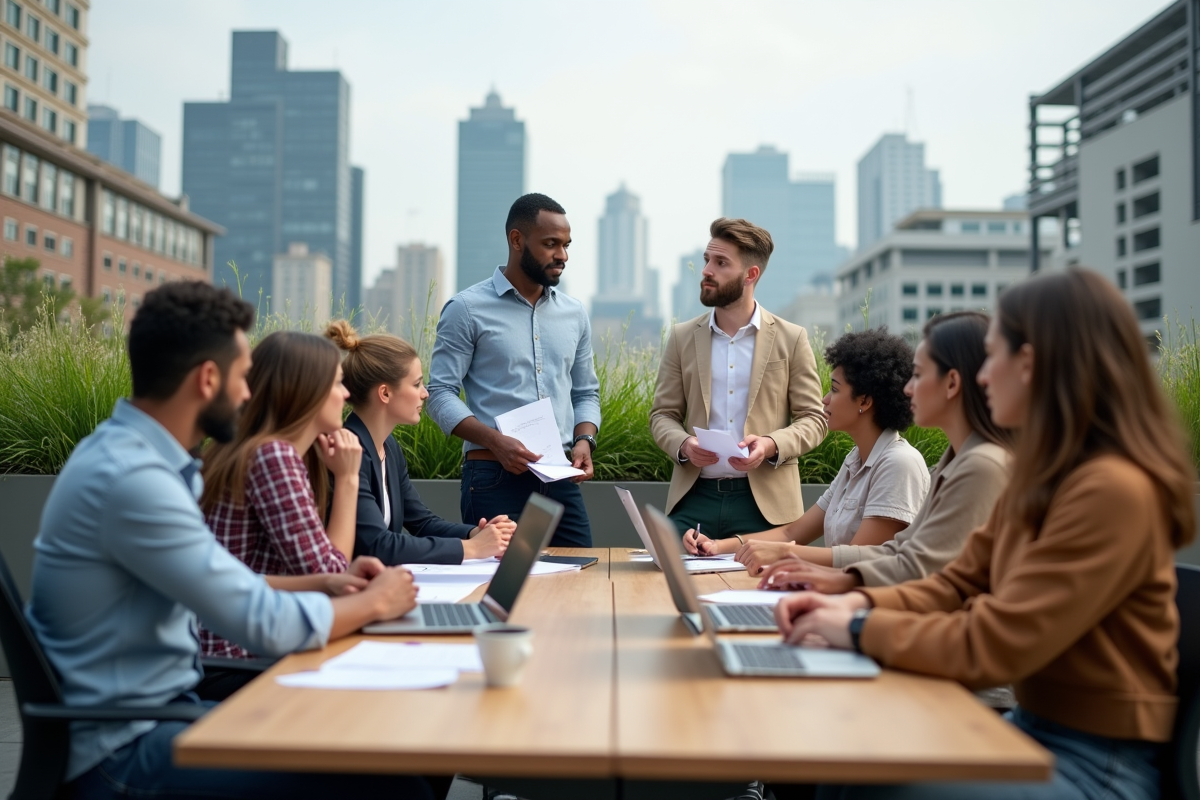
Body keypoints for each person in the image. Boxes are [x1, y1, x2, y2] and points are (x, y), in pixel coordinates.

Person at [777, 268, 1195, 800]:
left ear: (1032, 365)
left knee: (866, 781)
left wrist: (857, 626)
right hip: (1035, 728)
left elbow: (998, 640)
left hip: (1096, 764)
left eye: (992, 357)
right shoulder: (1038, 476)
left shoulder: (1111, 490)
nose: (981, 375)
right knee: (848, 763)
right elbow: (952, 585)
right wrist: (847, 606)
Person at [25, 281, 432, 800]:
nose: (248, 393)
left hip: (165, 712)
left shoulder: (139, 459)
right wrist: (377, 601)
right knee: (397, 786)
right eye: (243, 377)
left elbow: (228, 583)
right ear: (208, 378)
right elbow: (264, 624)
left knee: (390, 749)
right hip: (125, 749)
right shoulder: (134, 481)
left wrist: (326, 580)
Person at [750, 312, 1011, 586]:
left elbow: (915, 569)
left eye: (919, 375)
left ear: (952, 383)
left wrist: (793, 559)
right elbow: (899, 554)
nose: (908, 389)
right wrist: (723, 548)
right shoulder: (951, 462)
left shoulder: (973, 466)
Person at [427, 193, 601, 547]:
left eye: (566, 245)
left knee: (580, 581)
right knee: (502, 587)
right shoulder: (466, 309)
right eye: (550, 244)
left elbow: (585, 392)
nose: (562, 256)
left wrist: (584, 440)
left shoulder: (574, 314)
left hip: (559, 477)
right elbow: (440, 394)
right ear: (517, 240)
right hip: (493, 475)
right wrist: (495, 441)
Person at [687, 328, 930, 574]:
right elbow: (791, 532)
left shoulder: (899, 464)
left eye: (834, 389)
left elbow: (857, 561)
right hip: (836, 597)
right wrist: (716, 546)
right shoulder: (855, 460)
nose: (825, 399)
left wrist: (785, 554)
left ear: (864, 402)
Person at [650, 217, 828, 540]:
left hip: (767, 506)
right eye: (707, 260)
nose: (706, 270)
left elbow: (815, 419)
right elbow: (662, 415)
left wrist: (772, 445)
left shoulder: (792, 338)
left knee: (764, 590)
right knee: (662, 580)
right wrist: (684, 444)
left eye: (721, 263)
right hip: (694, 499)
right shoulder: (681, 338)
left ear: (751, 274)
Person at [198, 331, 364, 662]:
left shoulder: (254, 450)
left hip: (241, 642)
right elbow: (331, 572)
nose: (345, 394)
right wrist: (347, 480)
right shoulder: (273, 456)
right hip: (239, 654)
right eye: (336, 383)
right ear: (305, 392)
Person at [325, 320, 516, 564]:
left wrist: (475, 534)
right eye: (416, 384)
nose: (425, 393)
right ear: (385, 393)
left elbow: (422, 522)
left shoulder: (389, 447)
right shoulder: (350, 451)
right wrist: (471, 548)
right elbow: (378, 544)